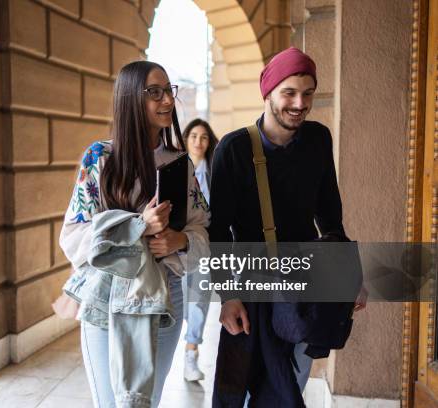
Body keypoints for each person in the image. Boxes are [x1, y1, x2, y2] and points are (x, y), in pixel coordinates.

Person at [208, 47, 366, 407]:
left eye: (308, 93)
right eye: (289, 93)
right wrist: (227, 296)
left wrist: (348, 276)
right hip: (250, 289)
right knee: (240, 385)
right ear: (268, 93)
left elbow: (330, 217)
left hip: (303, 288)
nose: (300, 103)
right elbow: (217, 234)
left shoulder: (317, 140)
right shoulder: (232, 150)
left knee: (290, 381)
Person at [59, 61, 210, 408]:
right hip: (107, 296)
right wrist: (137, 226)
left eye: (168, 91)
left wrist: (180, 240)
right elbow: (73, 237)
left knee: (147, 402)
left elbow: (203, 228)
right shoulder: (100, 158)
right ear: (130, 99)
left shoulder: (180, 164)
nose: (167, 101)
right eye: (153, 92)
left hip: (166, 296)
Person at [180, 118, 218, 381]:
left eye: (204, 137)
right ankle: (181, 342)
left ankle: (191, 353)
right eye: (194, 136)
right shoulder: (176, 169)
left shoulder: (215, 172)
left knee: (199, 299)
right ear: (185, 139)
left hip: (206, 248)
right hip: (179, 246)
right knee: (180, 300)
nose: (198, 141)